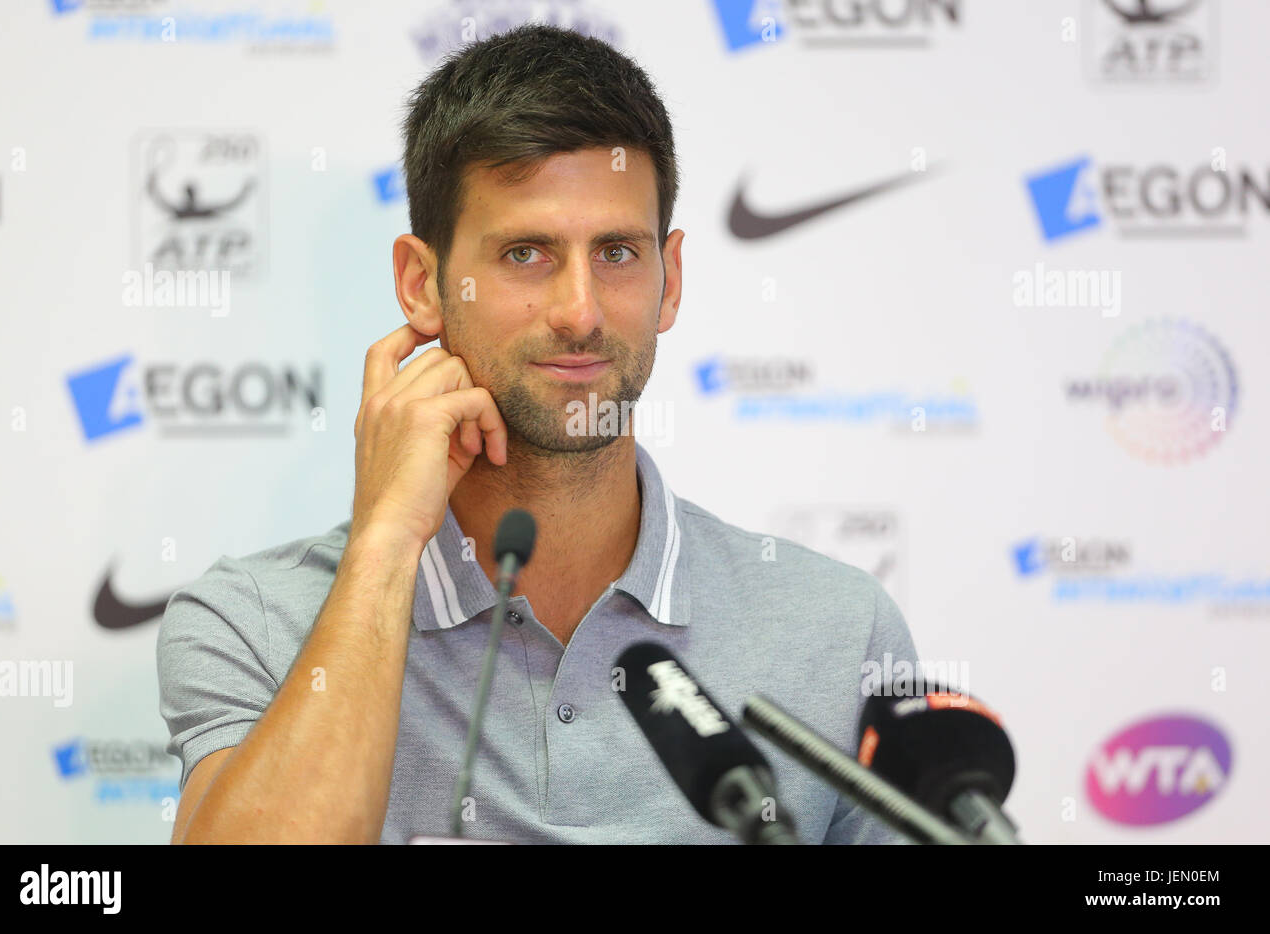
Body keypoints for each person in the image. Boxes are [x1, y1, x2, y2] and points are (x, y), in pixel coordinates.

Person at [157, 22, 917, 844]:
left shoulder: (836, 629)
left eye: (619, 253)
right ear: (424, 285)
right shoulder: (254, 621)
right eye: (526, 253)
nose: (580, 312)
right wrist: (384, 548)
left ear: (671, 281)